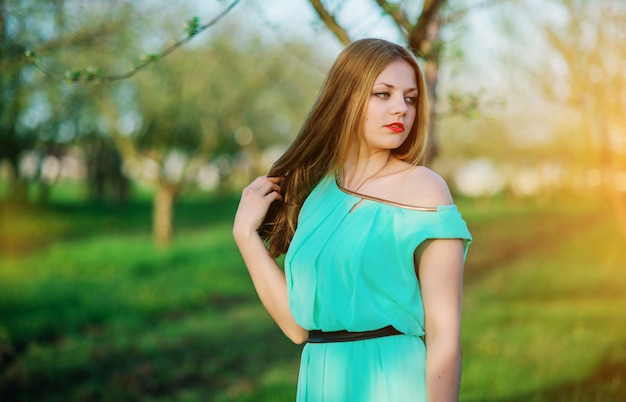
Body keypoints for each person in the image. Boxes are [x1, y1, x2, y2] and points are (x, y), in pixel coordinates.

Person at [233, 38, 472, 402]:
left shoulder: (425, 189)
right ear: (347, 96)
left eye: (410, 98)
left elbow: (444, 334)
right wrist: (246, 237)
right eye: (383, 94)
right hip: (321, 380)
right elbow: (299, 328)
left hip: (391, 382)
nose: (401, 110)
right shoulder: (316, 193)